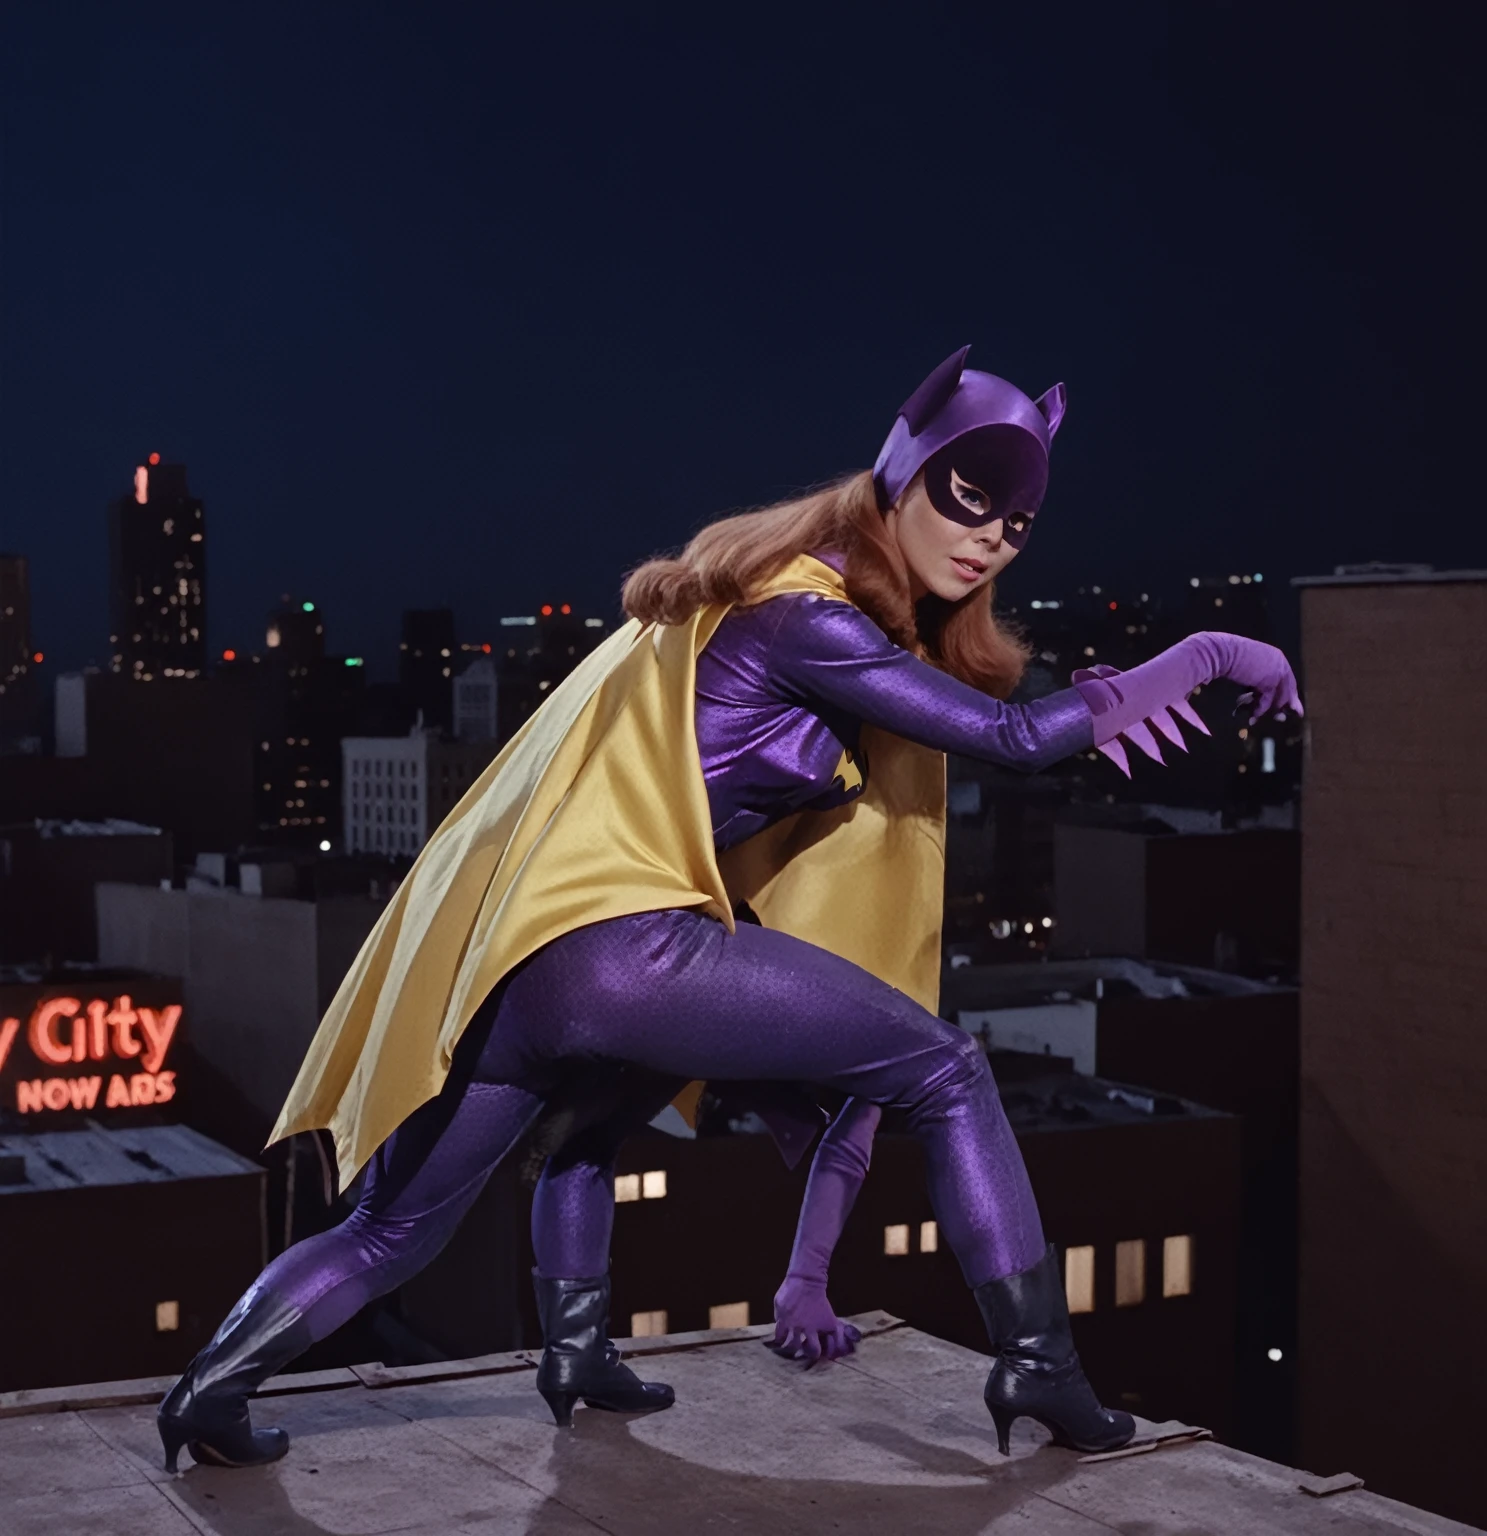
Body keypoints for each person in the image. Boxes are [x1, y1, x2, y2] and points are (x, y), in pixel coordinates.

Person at [158, 346, 1300, 1472]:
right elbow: (1011, 739)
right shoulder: (809, 619)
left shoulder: (764, 608)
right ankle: (1041, 1364)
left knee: (487, 1183)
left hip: (539, 963)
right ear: (901, 477)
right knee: (949, 1069)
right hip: (626, 946)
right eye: (972, 493)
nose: (996, 531)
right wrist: (1201, 652)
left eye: (1019, 520)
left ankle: (261, 1384)